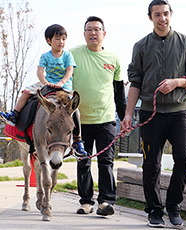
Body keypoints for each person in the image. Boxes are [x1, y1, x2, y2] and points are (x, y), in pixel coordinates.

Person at [121, 0, 186, 228]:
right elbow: (135, 82)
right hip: (150, 113)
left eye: (165, 14)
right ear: (150, 17)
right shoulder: (141, 46)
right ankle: (154, 211)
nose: (162, 18)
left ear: (171, 14)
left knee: (184, 158)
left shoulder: (185, 42)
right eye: (157, 14)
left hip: (179, 113)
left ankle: (174, 205)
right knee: (151, 164)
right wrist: (128, 114)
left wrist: (177, 82)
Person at [0, 24, 86, 155]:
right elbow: (40, 71)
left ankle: (77, 140)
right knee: (26, 92)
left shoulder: (67, 56)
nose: (61, 42)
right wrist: (46, 83)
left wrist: (62, 82)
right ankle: (14, 114)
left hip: (64, 86)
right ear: (48, 40)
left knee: (75, 111)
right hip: (47, 83)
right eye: (57, 39)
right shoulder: (45, 56)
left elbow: (69, 71)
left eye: (63, 39)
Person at [70, 16, 126, 216]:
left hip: (107, 120)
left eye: (97, 29)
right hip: (80, 121)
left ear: (104, 33)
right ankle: (86, 202)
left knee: (106, 162)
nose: (93, 33)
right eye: (89, 30)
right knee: (83, 162)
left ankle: (105, 202)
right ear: (84, 33)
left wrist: (125, 117)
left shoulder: (114, 58)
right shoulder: (73, 54)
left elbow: (119, 92)